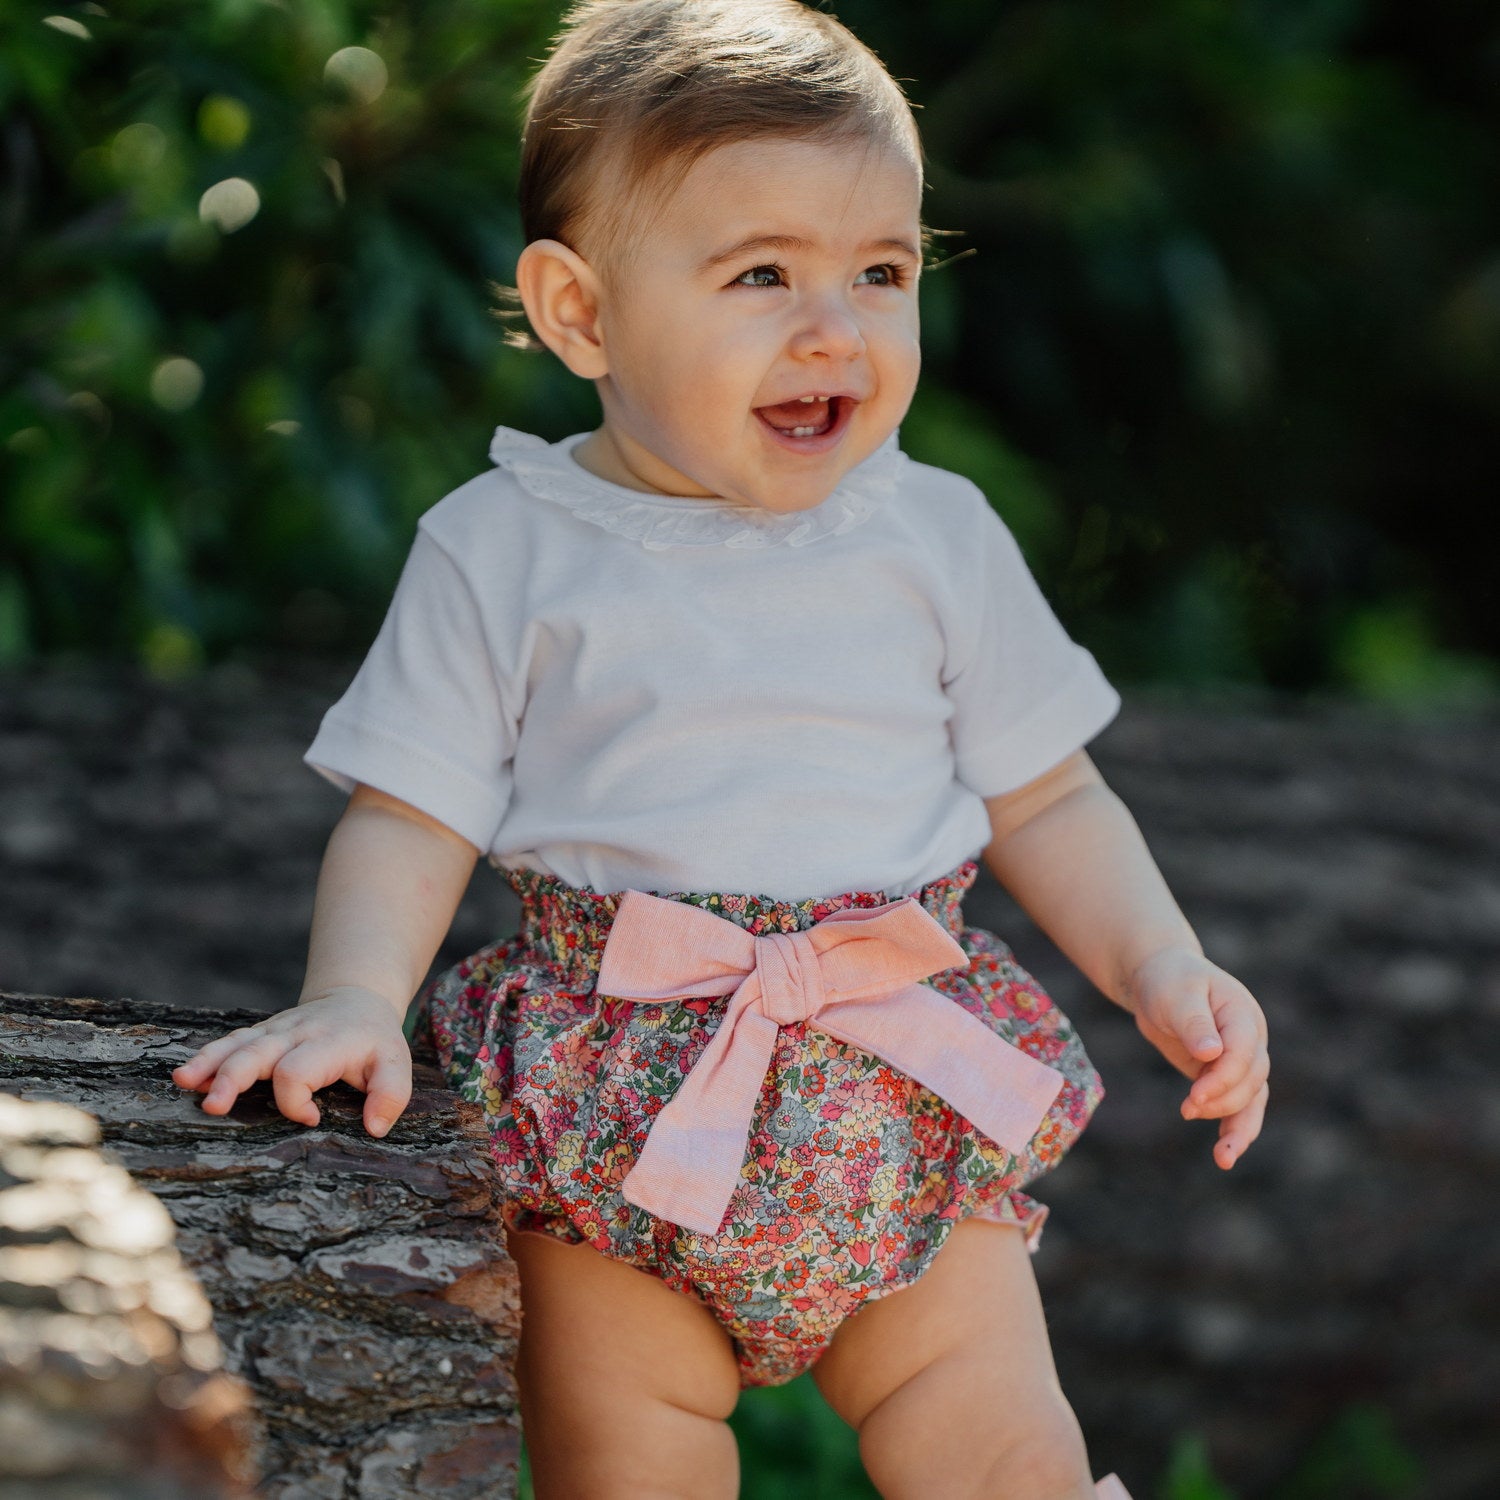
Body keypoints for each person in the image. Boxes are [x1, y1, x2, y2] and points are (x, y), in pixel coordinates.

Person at [172, 2, 1269, 1495]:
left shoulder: (933, 532)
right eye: (762, 274)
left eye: (882, 271)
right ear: (582, 314)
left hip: (892, 1088)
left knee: (999, 1440)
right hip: (611, 1107)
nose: (838, 328)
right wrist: (354, 995)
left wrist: (1165, 969)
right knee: (628, 1456)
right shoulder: (505, 547)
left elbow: (1051, 792)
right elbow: (407, 812)